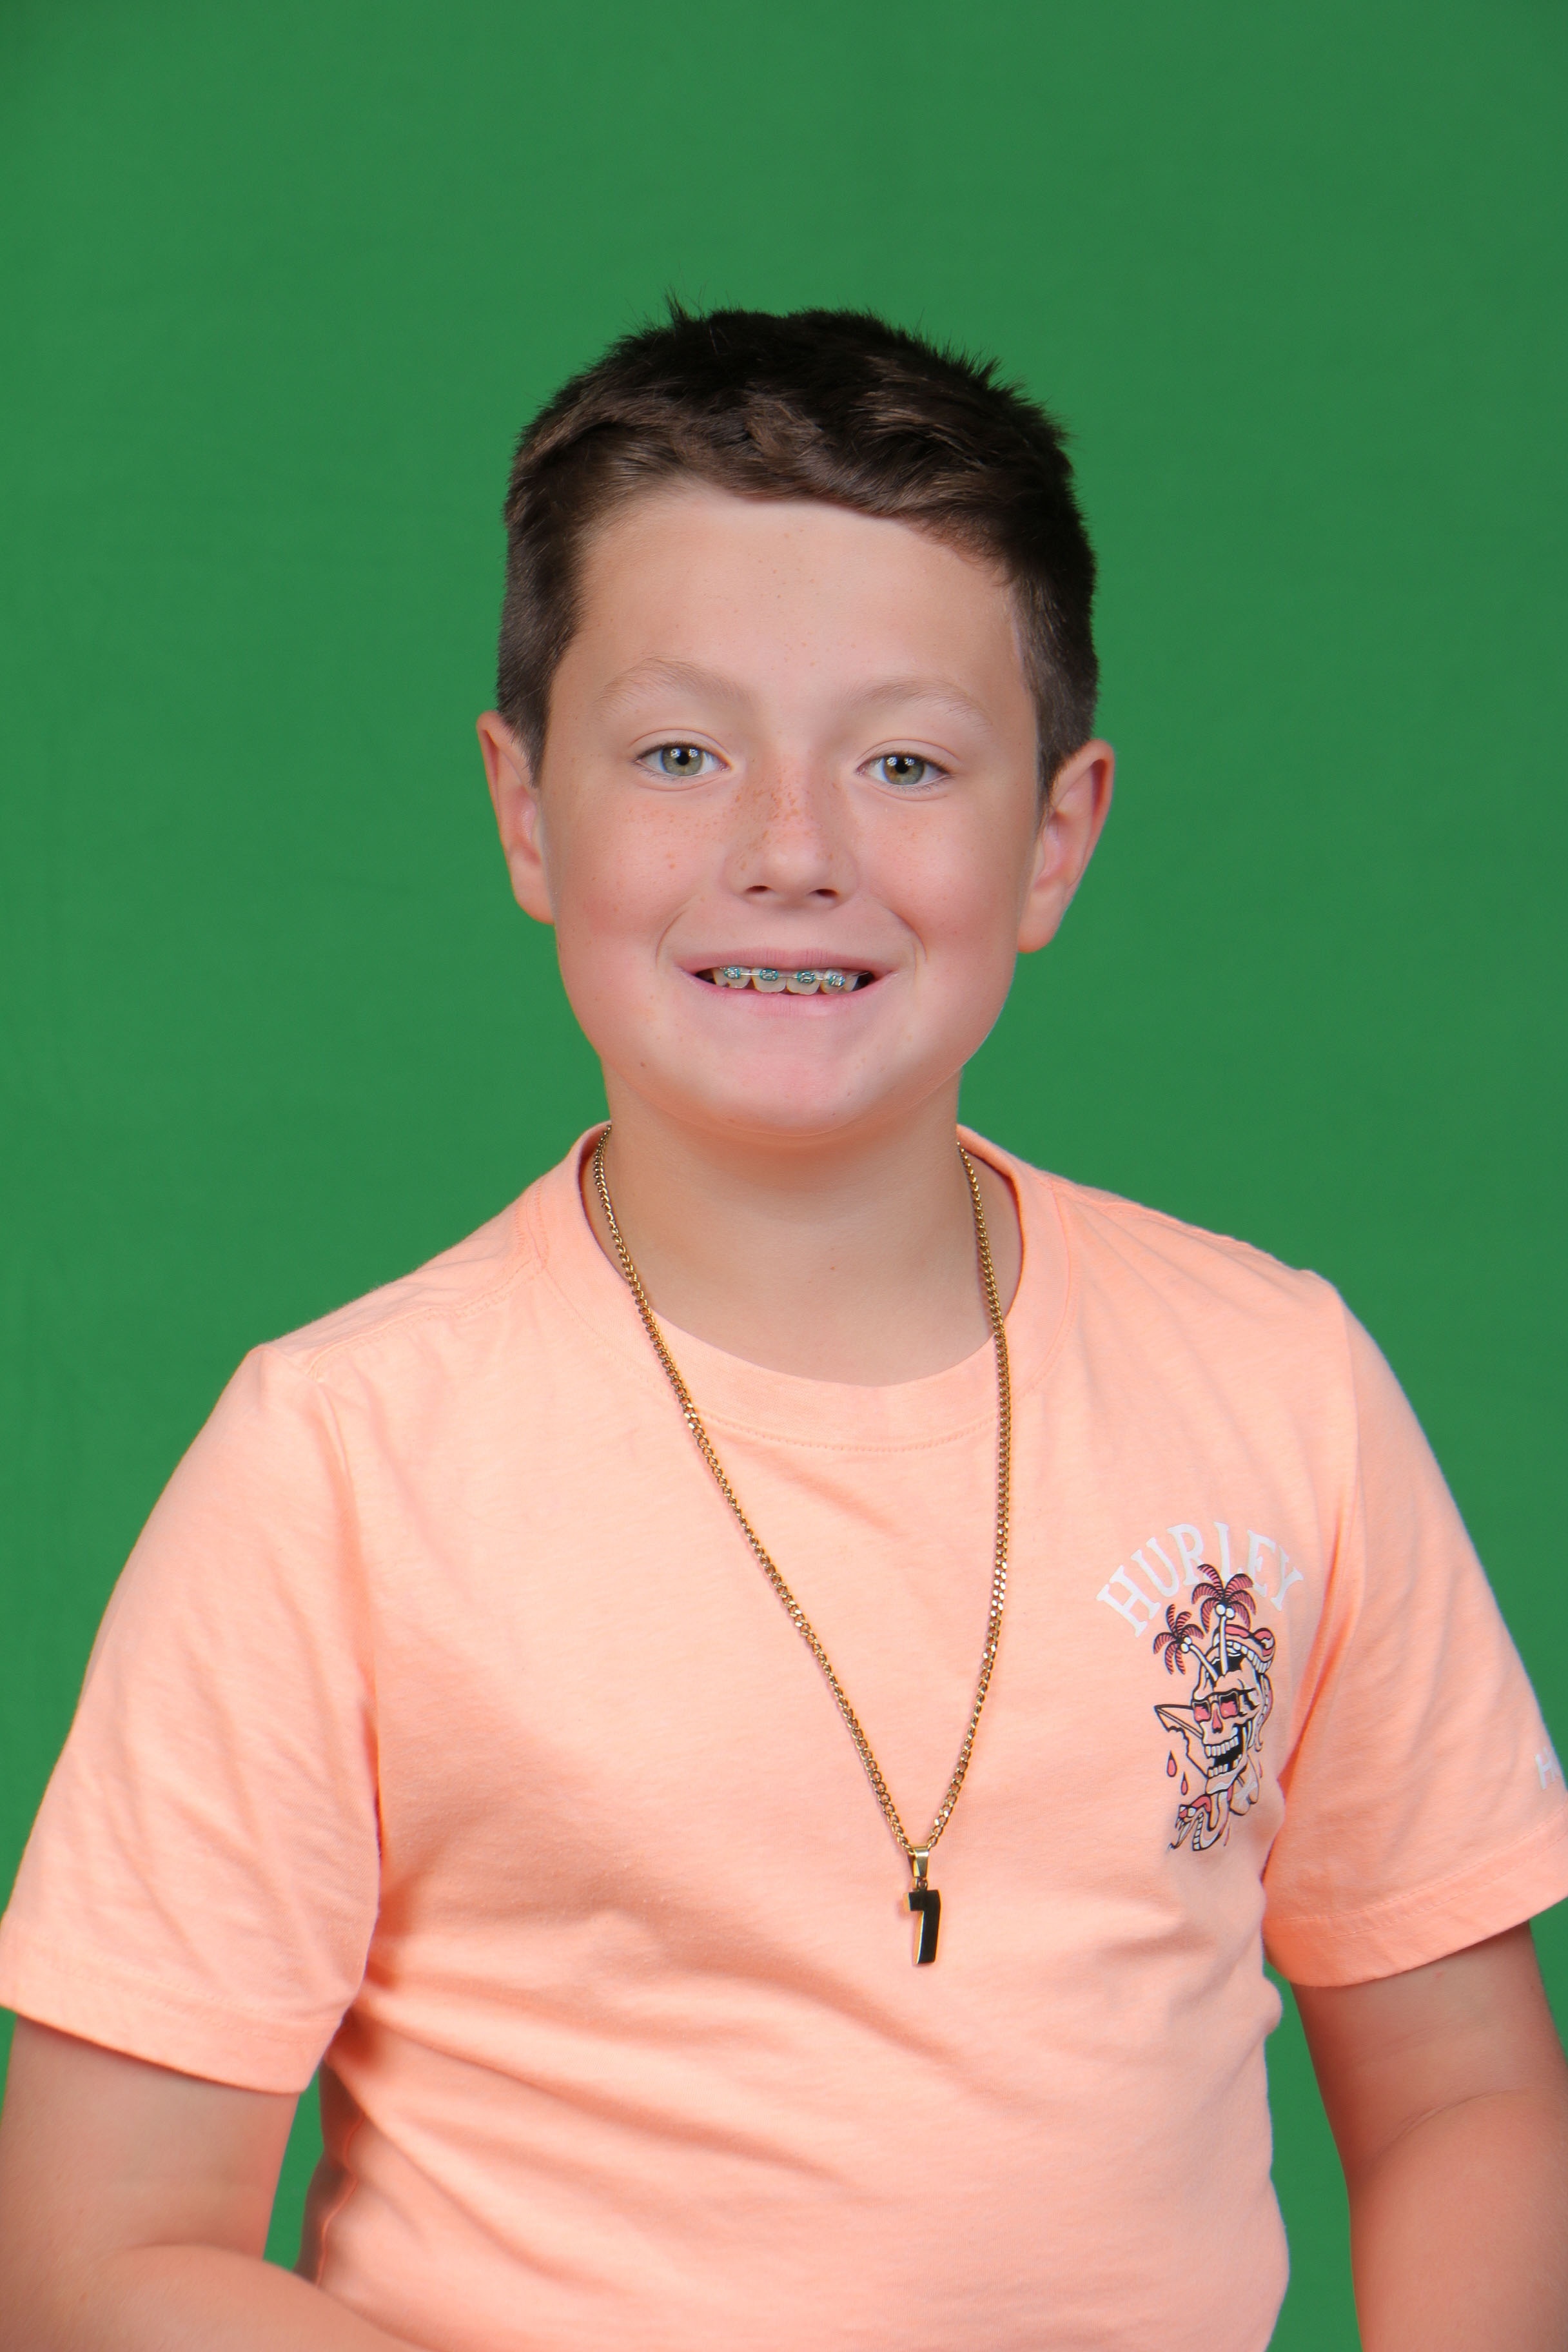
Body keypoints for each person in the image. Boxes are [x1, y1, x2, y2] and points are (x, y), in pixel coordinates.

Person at [0, 306, 1564, 2352]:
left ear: (1058, 834)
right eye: (681, 755)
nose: (793, 853)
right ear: (527, 811)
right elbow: (101, 2258)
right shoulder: (340, 1463)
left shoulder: (1280, 1383)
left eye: (904, 762)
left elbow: (1461, 2092)